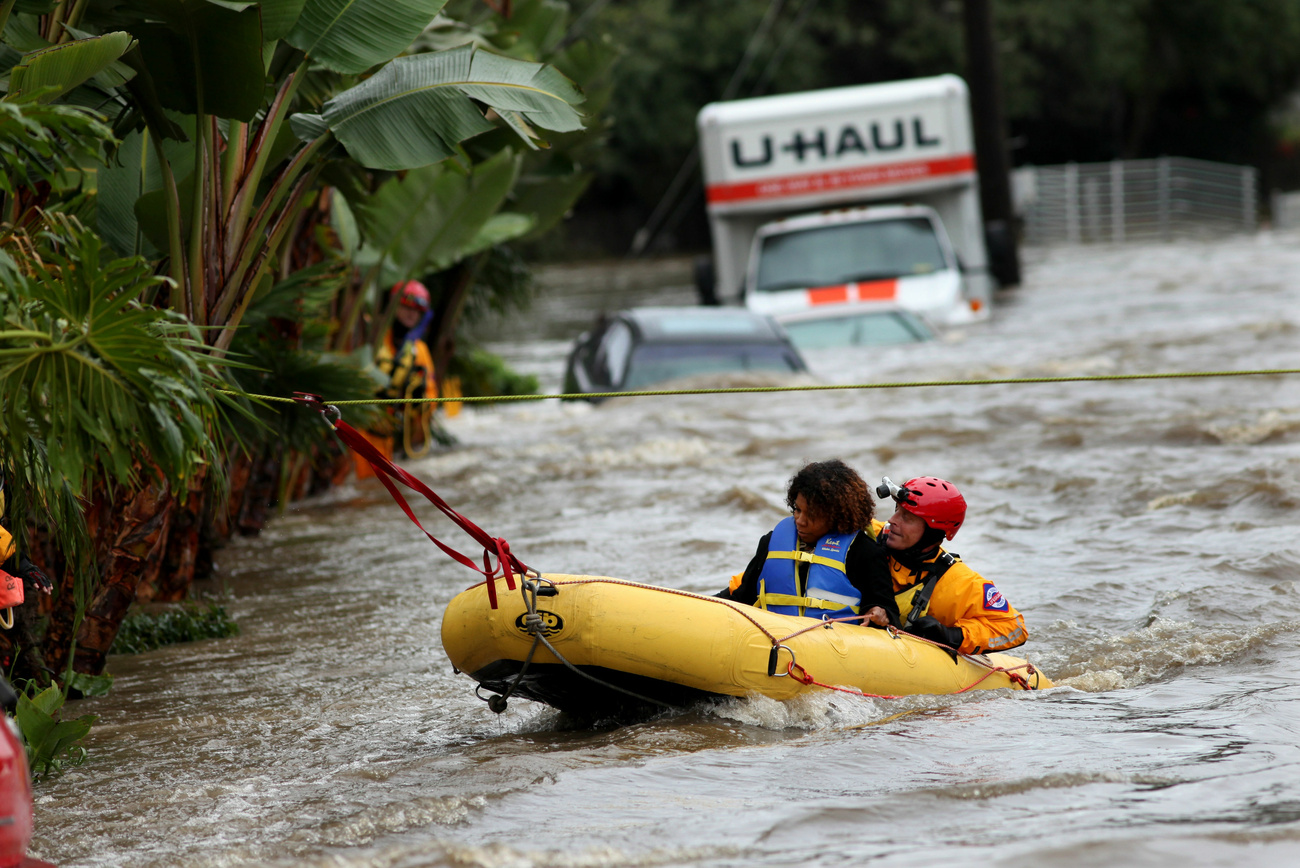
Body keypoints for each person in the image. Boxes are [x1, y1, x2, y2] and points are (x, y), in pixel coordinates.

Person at [718, 460, 899, 627]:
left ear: (837, 516)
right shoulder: (770, 542)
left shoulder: (864, 552)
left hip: (835, 648)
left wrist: (880, 613)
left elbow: (887, 610)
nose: (800, 520)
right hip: (775, 637)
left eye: (811, 514)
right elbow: (742, 597)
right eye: (797, 510)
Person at [876, 476, 1027, 654]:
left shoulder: (959, 582)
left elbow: (1015, 629)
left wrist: (951, 635)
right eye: (897, 510)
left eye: (907, 518)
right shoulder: (869, 534)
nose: (892, 520)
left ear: (932, 532)